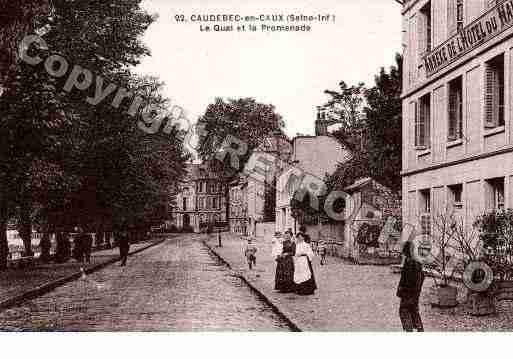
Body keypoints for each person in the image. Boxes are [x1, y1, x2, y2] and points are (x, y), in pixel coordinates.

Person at [396, 241, 425, 332]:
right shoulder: (418, 262)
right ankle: (420, 329)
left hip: (408, 293)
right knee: (414, 311)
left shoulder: (409, 262)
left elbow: (406, 279)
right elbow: (421, 277)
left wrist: (402, 291)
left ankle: (409, 330)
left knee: (404, 311)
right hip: (415, 293)